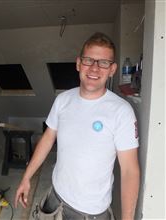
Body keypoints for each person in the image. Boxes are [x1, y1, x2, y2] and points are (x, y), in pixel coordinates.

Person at [14, 32, 140, 220]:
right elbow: (48, 138)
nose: (95, 68)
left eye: (103, 62)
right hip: (54, 198)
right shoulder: (63, 100)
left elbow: (130, 171)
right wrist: (26, 177)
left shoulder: (122, 111)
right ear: (78, 63)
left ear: (112, 69)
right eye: (89, 60)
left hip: (89, 213)